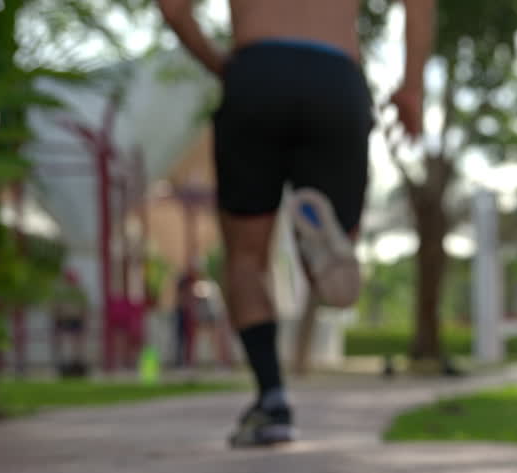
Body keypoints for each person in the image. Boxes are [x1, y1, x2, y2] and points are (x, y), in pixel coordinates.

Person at [159, 0, 434, 447]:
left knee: (247, 259)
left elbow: (172, 9)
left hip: (258, 71)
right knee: (333, 277)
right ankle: (325, 244)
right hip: (336, 79)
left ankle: (272, 399)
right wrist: (412, 88)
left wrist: (223, 65)